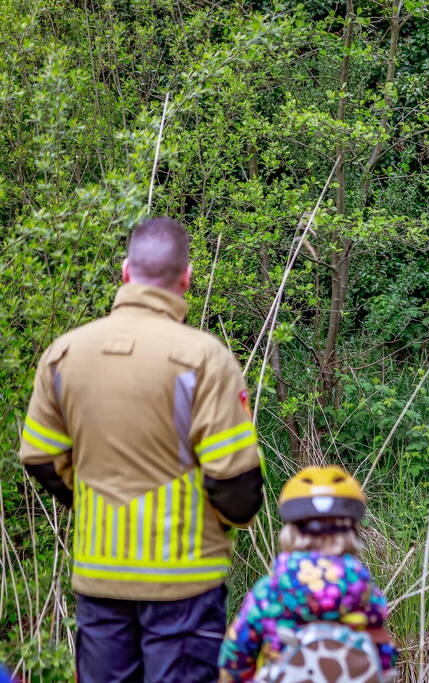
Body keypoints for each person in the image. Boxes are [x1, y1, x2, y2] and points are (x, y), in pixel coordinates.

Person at [18, 217, 264, 682]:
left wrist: (91, 501)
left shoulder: (64, 354)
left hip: (99, 574)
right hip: (183, 577)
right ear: (186, 278)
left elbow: (39, 458)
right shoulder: (205, 358)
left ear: (126, 272)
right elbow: (234, 480)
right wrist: (229, 522)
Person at [219, 465, 397, 682]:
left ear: (290, 533)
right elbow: (384, 660)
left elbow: (234, 661)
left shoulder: (270, 593)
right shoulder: (367, 594)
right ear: (353, 533)